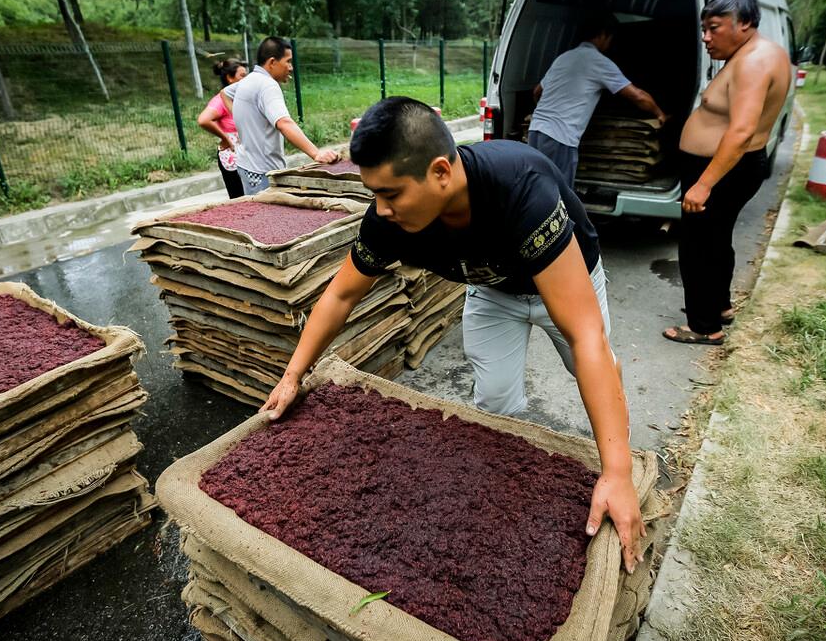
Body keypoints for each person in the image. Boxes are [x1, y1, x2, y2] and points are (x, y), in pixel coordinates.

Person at [260, 96, 647, 574]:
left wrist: (618, 473)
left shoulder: (520, 187)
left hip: (566, 283)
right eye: (373, 194)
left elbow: (585, 334)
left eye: (392, 194)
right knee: (494, 405)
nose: (380, 210)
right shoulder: (389, 221)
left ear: (441, 172)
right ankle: (505, 509)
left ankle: (618, 451)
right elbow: (341, 296)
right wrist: (294, 374)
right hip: (492, 292)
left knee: (593, 362)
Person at [663, 0, 791, 346]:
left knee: (697, 247)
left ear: (746, 24)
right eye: (704, 29)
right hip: (735, 167)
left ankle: (704, 327)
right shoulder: (763, 53)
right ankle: (719, 307)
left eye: (714, 28)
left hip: (723, 170)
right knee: (717, 240)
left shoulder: (752, 62)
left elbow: (741, 130)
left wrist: (704, 184)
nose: (706, 37)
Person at [528, 12, 667, 184]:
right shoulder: (598, 61)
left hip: (535, 132)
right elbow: (637, 96)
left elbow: (537, 92)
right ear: (603, 35)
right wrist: (659, 113)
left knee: (538, 186)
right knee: (559, 194)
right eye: (610, 38)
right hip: (560, 138)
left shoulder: (563, 57)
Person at [221, 36, 338, 194]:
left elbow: (224, 93)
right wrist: (316, 153)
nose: (290, 67)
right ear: (272, 62)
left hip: (246, 166)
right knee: (268, 217)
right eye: (288, 61)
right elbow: (284, 123)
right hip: (264, 173)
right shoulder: (267, 85)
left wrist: (245, 120)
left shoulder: (249, 80)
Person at [198, 58, 247, 199]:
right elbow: (203, 120)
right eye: (242, 76)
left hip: (246, 153)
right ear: (230, 78)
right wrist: (225, 138)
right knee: (240, 200)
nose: (246, 80)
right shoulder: (221, 100)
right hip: (232, 155)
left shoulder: (240, 98)